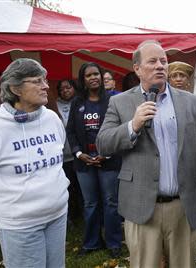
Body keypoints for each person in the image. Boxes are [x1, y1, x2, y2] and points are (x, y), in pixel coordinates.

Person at [96, 40, 196, 268]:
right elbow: (103, 144)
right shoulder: (120, 102)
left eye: (163, 61)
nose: (160, 66)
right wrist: (132, 126)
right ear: (137, 68)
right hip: (142, 206)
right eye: (152, 61)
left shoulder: (193, 102)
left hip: (183, 206)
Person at [0, 58, 69, 268]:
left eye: (45, 80)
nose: (46, 86)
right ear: (15, 88)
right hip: (21, 224)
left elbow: (58, 156)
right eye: (37, 81)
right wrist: (11, 192)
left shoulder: (52, 119)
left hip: (57, 215)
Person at [66, 62, 123, 258]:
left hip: (110, 159)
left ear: (101, 76)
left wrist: (107, 153)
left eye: (96, 74)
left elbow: (119, 130)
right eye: (88, 75)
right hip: (84, 162)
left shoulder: (113, 101)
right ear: (83, 80)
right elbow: (70, 132)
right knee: (90, 203)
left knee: (110, 202)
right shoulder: (77, 102)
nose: (93, 78)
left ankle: (114, 242)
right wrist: (78, 153)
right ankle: (91, 243)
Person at [56, 79, 81, 223]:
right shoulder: (55, 105)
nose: (65, 90)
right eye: (62, 89)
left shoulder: (80, 102)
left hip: (80, 153)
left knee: (81, 186)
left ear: (74, 88)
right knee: (68, 187)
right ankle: (71, 215)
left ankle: (84, 214)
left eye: (68, 87)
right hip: (64, 155)